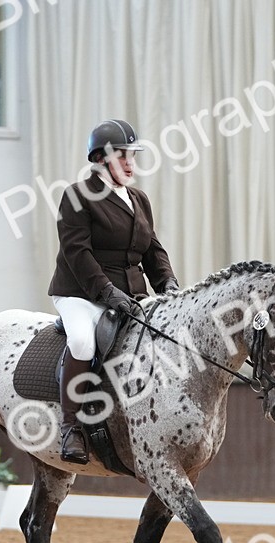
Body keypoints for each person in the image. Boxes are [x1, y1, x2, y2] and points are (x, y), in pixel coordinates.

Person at [48, 119, 179, 464]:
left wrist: (168, 284)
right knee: (82, 341)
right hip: (80, 292)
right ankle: (71, 427)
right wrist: (106, 292)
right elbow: (78, 252)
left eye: (132, 156)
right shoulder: (77, 195)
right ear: (102, 158)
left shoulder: (138, 198)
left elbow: (152, 249)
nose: (130, 164)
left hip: (127, 295)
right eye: (123, 156)